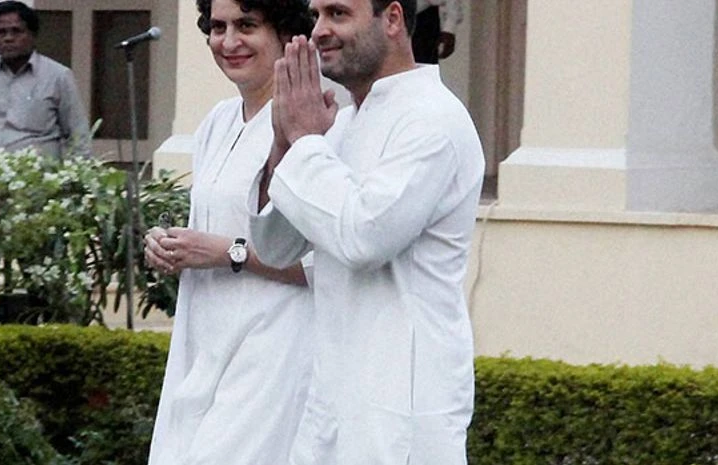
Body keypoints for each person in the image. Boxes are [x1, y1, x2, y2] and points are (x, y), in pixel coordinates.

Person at [250, 0, 485, 461]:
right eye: (316, 15)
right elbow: (276, 247)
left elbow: (363, 238)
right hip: (332, 403)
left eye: (338, 13)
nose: (319, 30)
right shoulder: (343, 123)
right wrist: (283, 143)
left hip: (403, 411)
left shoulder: (432, 118)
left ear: (392, 19)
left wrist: (305, 143)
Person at [142, 0, 315, 463]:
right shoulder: (217, 122)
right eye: (218, 27)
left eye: (247, 25)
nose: (229, 41)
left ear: (285, 33)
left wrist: (230, 252)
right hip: (203, 342)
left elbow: (327, 264)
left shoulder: (310, 124)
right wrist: (169, 247)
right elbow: (207, 234)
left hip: (274, 348)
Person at [0, 1, 91, 159]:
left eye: (16, 31)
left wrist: (75, 172)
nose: (8, 38)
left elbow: (78, 136)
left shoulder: (58, 77)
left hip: (37, 173)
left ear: (33, 36)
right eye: (1, 32)